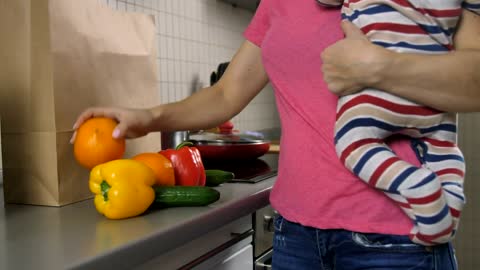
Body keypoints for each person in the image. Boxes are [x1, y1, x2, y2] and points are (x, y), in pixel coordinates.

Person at [72, 1, 480, 269]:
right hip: (296, 236)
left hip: (395, 236)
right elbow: (226, 93)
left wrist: (380, 67)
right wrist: (146, 118)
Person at [313, 0, 480, 246]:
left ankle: (413, 183)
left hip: (376, 95)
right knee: (445, 149)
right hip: (432, 91)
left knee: (354, 144)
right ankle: (449, 206)